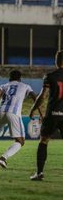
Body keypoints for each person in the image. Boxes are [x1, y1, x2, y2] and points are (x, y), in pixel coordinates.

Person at [29, 51, 63, 181]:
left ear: (56, 61)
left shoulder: (50, 76)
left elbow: (42, 96)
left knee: (44, 141)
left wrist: (33, 109)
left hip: (52, 114)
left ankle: (40, 173)